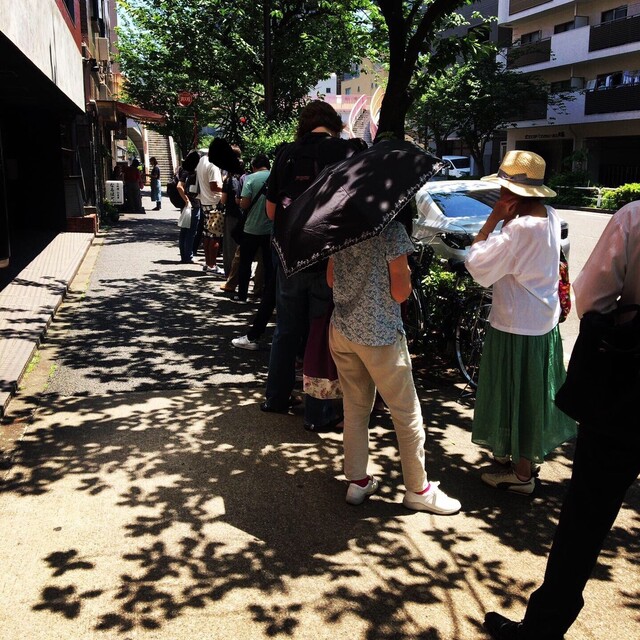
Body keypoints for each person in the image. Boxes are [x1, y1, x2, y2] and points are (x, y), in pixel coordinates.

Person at [483, 201, 640, 639]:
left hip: (628, 386)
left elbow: (593, 297)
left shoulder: (633, 217)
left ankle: (544, 628)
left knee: (586, 514)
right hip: (545, 329)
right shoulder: (552, 219)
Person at [327, 220, 461, 513]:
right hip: (380, 335)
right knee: (406, 412)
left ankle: (357, 481)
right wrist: (405, 273)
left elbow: (331, 280)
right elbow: (401, 292)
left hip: (343, 330)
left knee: (355, 408)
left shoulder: (342, 227)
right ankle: (418, 489)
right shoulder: (391, 231)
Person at [465, 150, 576, 495]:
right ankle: (519, 455)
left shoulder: (518, 229)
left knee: (514, 392)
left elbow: (477, 266)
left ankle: (522, 473)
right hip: (542, 321)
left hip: (516, 324)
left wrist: (492, 220)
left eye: (502, 189)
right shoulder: (550, 215)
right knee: (530, 392)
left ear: (511, 194)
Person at [262, 100, 366, 430]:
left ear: (304, 124)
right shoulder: (347, 152)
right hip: (329, 258)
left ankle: (276, 398)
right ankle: (319, 412)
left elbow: (271, 212)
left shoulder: (286, 154)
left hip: (290, 257)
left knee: (286, 330)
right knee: (321, 332)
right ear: (333, 122)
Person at [236, 154, 272, 303]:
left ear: (253, 166)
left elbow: (244, 204)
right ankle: (267, 297)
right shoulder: (275, 177)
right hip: (270, 229)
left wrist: (240, 202)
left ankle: (242, 295)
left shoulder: (250, 178)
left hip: (251, 228)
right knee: (268, 264)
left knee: (245, 262)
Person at [195, 149, 224, 276]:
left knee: (207, 235)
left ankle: (208, 264)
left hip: (204, 201)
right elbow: (214, 186)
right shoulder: (213, 164)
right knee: (215, 235)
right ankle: (212, 266)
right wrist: (226, 187)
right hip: (214, 202)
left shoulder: (202, 161)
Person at [221, 146, 244, 276]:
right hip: (244, 214)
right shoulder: (246, 176)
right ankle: (242, 270)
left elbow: (224, 200)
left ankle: (231, 272)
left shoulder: (229, 179)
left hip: (231, 214)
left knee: (230, 244)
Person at [176, 150, 201, 264]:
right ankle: (188, 256)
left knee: (184, 230)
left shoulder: (184, 170)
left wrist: (185, 201)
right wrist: (187, 201)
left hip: (185, 205)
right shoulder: (193, 172)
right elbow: (179, 186)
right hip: (193, 204)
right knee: (191, 232)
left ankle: (184, 256)